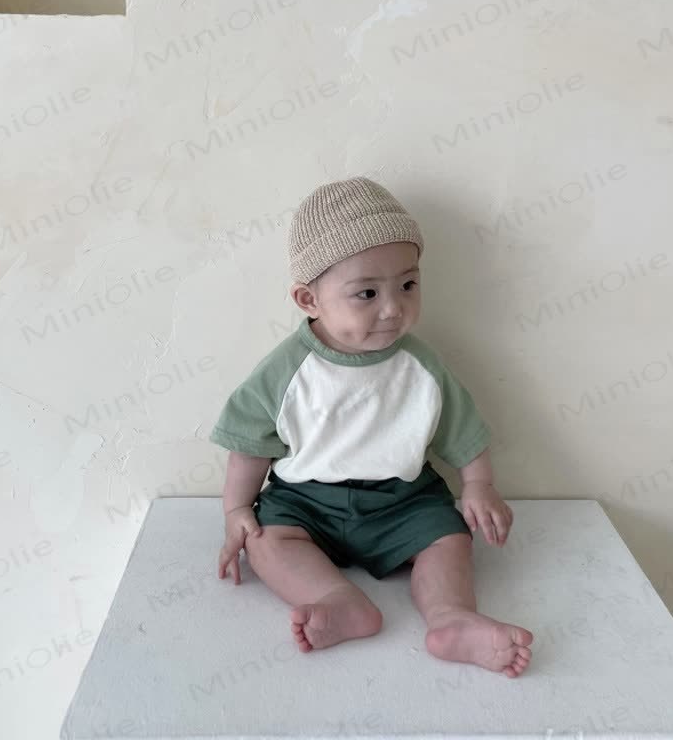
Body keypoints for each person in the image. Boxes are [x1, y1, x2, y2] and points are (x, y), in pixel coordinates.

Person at [209, 176, 533, 677]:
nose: (393, 308)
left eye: (408, 285)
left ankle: (451, 618)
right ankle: (338, 600)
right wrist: (236, 509)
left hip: (403, 500)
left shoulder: (421, 366)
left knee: (448, 539)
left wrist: (478, 486)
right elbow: (249, 443)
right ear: (309, 299)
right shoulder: (286, 370)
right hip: (305, 502)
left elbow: (463, 429)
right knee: (266, 541)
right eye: (366, 293)